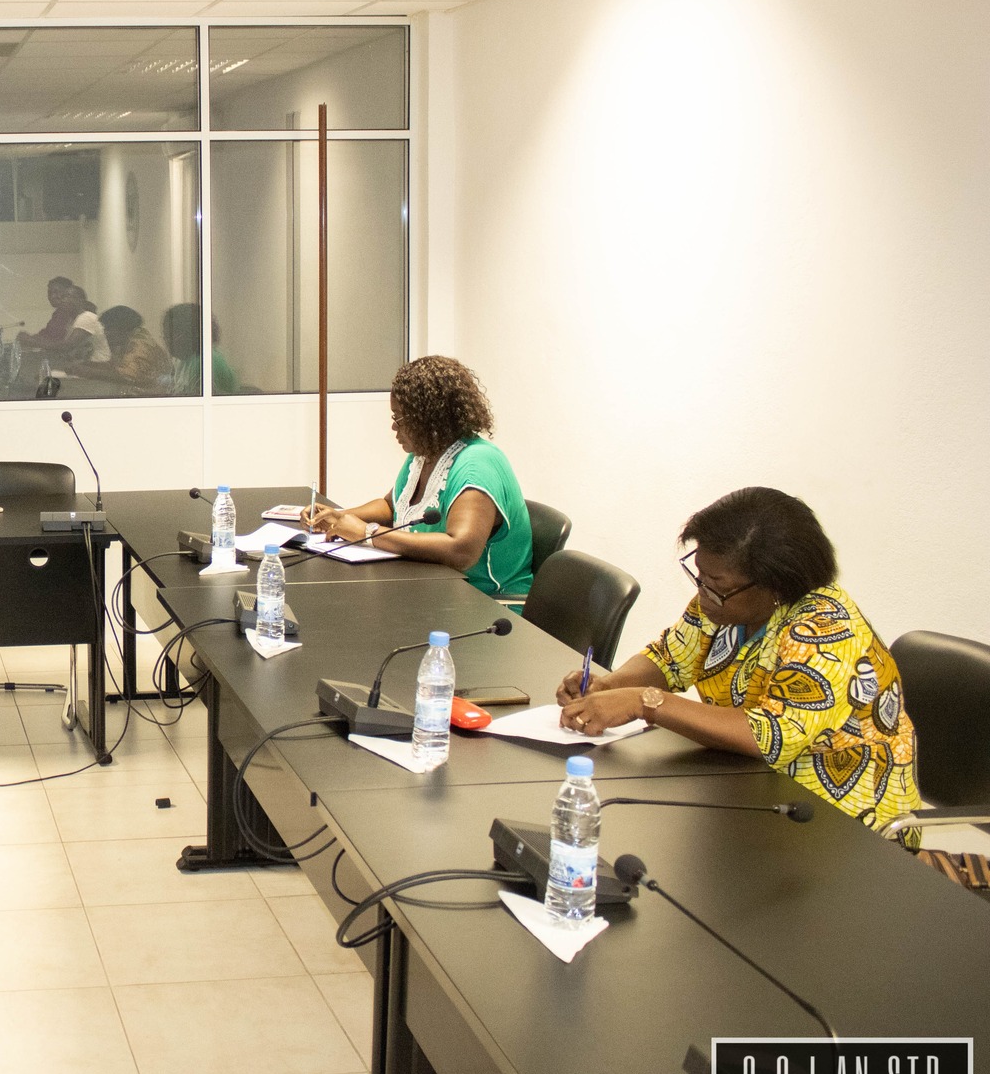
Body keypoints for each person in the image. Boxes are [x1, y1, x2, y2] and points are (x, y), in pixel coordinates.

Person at [558, 488, 922, 837]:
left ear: (775, 584)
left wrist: (644, 701)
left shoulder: (827, 630)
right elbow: (670, 657)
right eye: (699, 573)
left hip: (841, 823)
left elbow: (770, 737)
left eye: (715, 581)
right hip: (752, 791)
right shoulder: (720, 604)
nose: (702, 590)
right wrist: (611, 684)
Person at [307, 355, 533, 600]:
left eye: (400, 418)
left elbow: (461, 550)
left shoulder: (476, 465)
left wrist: (366, 533)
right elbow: (391, 506)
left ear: (430, 417)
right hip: (433, 588)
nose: (394, 427)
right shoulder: (425, 455)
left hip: (483, 604)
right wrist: (340, 517)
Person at [72, 305, 173, 394]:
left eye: (109, 328)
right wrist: (89, 365)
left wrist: (91, 372)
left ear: (123, 328)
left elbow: (129, 376)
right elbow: (114, 366)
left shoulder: (140, 344)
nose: (106, 333)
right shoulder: (123, 342)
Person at [161, 303, 239, 395]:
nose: (166, 341)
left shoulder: (206, 362)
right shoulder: (183, 361)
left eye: (169, 335)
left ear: (187, 334)